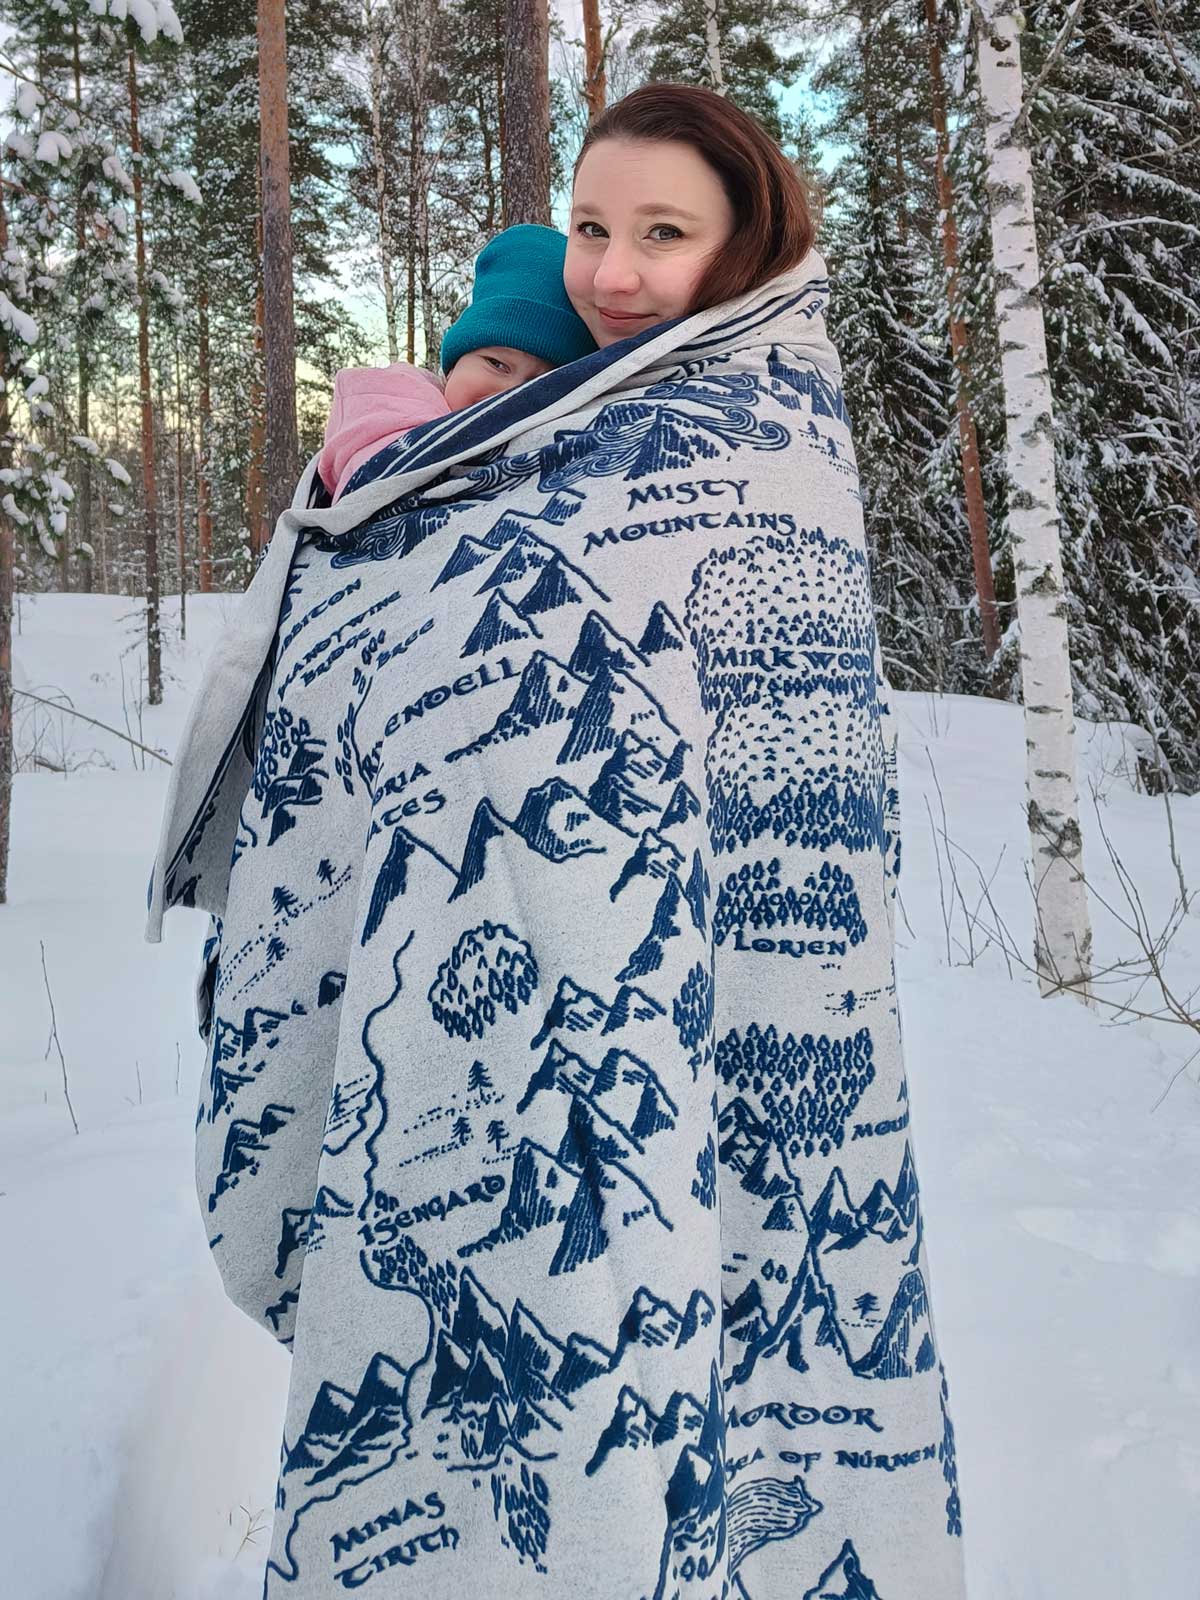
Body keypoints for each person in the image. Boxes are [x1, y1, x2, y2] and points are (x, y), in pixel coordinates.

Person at [149, 83, 966, 1600]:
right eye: (594, 227)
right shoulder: (532, 418)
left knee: (664, 1353)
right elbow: (378, 612)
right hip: (461, 1004)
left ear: (743, 244)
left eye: (664, 233)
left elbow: (794, 782)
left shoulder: (769, 437)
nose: (614, 272)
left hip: (680, 1012)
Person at [317, 224, 596, 502]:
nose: (511, 392)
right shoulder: (393, 412)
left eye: (539, 383)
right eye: (497, 364)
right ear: (452, 366)